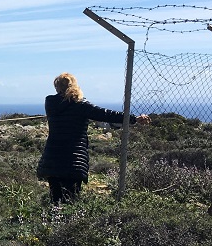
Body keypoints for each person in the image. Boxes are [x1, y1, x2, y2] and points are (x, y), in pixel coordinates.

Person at [36, 72, 150, 204]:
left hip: (53, 159)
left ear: (57, 87)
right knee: (71, 201)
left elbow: (65, 106)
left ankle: (53, 216)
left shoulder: (50, 103)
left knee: (55, 200)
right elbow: (105, 114)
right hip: (74, 161)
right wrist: (133, 119)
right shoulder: (81, 105)